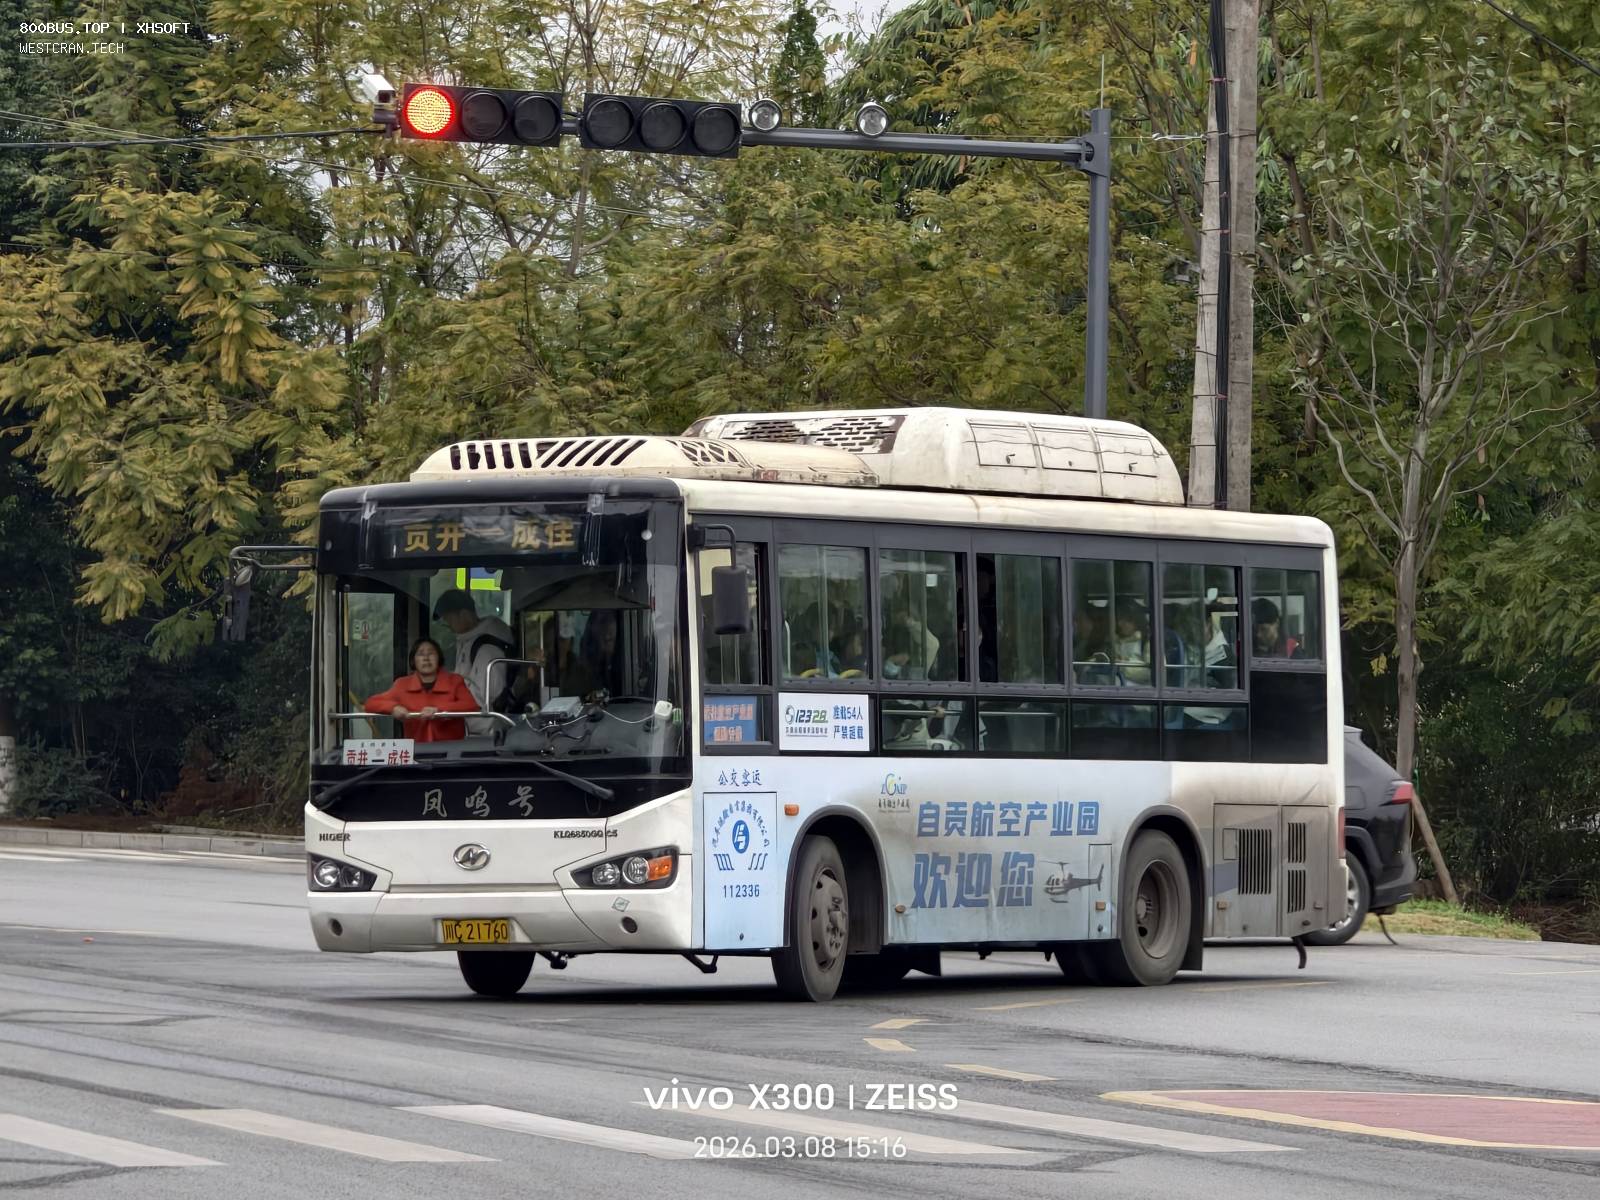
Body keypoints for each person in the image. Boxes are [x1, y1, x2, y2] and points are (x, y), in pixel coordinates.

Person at [434, 588, 535, 727]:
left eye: (449, 620)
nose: (448, 626)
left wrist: (448, 703)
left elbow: (487, 695)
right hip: (470, 726)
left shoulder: (487, 648)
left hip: (483, 730)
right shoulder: (468, 639)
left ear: (464, 614)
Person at [363, 638, 477, 742]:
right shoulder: (402, 684)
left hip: (452, 750)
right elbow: (371, 703)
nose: (426, 658)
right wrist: (393, 708)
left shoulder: (454, 681)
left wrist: (439, 711)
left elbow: (471, 705)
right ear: (413, 661)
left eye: (431, 653)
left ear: (439, 658)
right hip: (416, 750)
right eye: (421, 654)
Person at [565, 609, 629, 699]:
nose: (607, 628)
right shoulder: (582, 670)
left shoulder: (629, 662)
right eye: (602, 622)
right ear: (592, 629)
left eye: (609, 621)